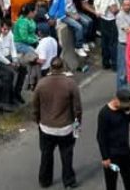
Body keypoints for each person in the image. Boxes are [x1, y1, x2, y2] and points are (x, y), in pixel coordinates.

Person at [32, 57, 82, 188]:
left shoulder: (41, 83)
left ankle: (44, 180)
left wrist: (38, 121)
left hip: (46, 127)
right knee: (67, 155)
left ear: (50, 68)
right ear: (63, 68)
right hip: (66, 128)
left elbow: (35, 106)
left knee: (46, 155)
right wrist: (77, 127)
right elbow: (77, 109)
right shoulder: (70, 84)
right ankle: (69, 181)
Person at [97, 88, 130, 190]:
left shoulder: (125, 109)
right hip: (112, 156)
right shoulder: (104, 113)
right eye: (123, 104)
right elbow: (101, 136)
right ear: (116, 99)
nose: (124, 107)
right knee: (111, 184)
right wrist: (105, 157)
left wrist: (129, 112)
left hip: (126, 152)